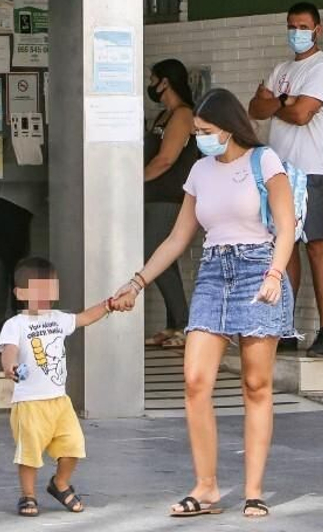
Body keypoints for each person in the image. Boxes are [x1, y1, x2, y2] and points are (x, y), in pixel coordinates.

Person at [113, 88, 297, 520]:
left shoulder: (264, 161)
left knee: (256, 385)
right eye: (197, 131)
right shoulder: (199, 171)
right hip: (213, 273)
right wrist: (137, 283)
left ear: (229, 129)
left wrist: (275, 274)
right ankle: (206, 487)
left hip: (258, 269)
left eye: (206, 131)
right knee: (195, 381)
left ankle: (253, 491)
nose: (200, 138)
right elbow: (178, 237)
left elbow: (287, 227)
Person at [248, 1, 323, 357]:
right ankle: (284, 325)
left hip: (312, 169)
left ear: (318, 30)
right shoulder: (282, 69)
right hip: (279, 172)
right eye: (291, 26)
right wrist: (284, 101)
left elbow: (302, 114)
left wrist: (278, 101)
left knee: (316, 246)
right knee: (284, 247)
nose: (296, 32)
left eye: (303, 27)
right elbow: (255, 109)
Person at [0, 257, 115, 518]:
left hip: (60, 402)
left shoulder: (59, 319)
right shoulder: (15, 324)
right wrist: (10, 366)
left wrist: (108, 305)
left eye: (50, 289)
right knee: (29, 454)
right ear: (21, 294)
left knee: (74, 446)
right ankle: (28, 495)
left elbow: (85, 317)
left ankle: (60, 483)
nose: (45, 297)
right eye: (38, 290)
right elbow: (9, 350)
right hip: (29, 404)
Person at [144, 58, 199, 349]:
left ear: (166, 81)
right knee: (164, 257)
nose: (150, 85)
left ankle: (183, 323)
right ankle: (173, 324)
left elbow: (166, 159)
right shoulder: (162, 116)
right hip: (154, 196)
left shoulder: (182, 115)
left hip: (172, 198)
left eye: (153, 79)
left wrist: (135, 180)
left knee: (156, 255)